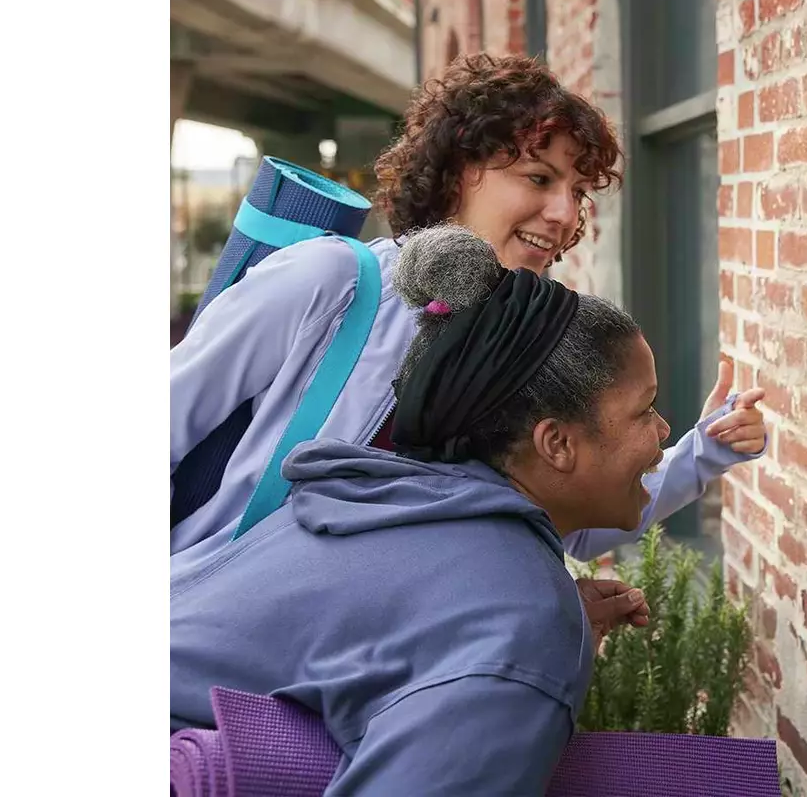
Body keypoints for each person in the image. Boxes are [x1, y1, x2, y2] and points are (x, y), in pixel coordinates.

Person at [171, 52, 767, 561]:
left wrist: (703, 452)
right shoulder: (335, 281)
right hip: (219, 633)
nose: (564, 214)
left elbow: (569, 521)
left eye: (578, 192)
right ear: (458, 171)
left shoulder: (526, 344)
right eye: (538, 178)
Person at [171, 226, 681, 794]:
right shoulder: (516, 621)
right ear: (556, 444)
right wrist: (524, 650)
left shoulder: (397, 499)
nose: (664, 433)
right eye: (645, 411)